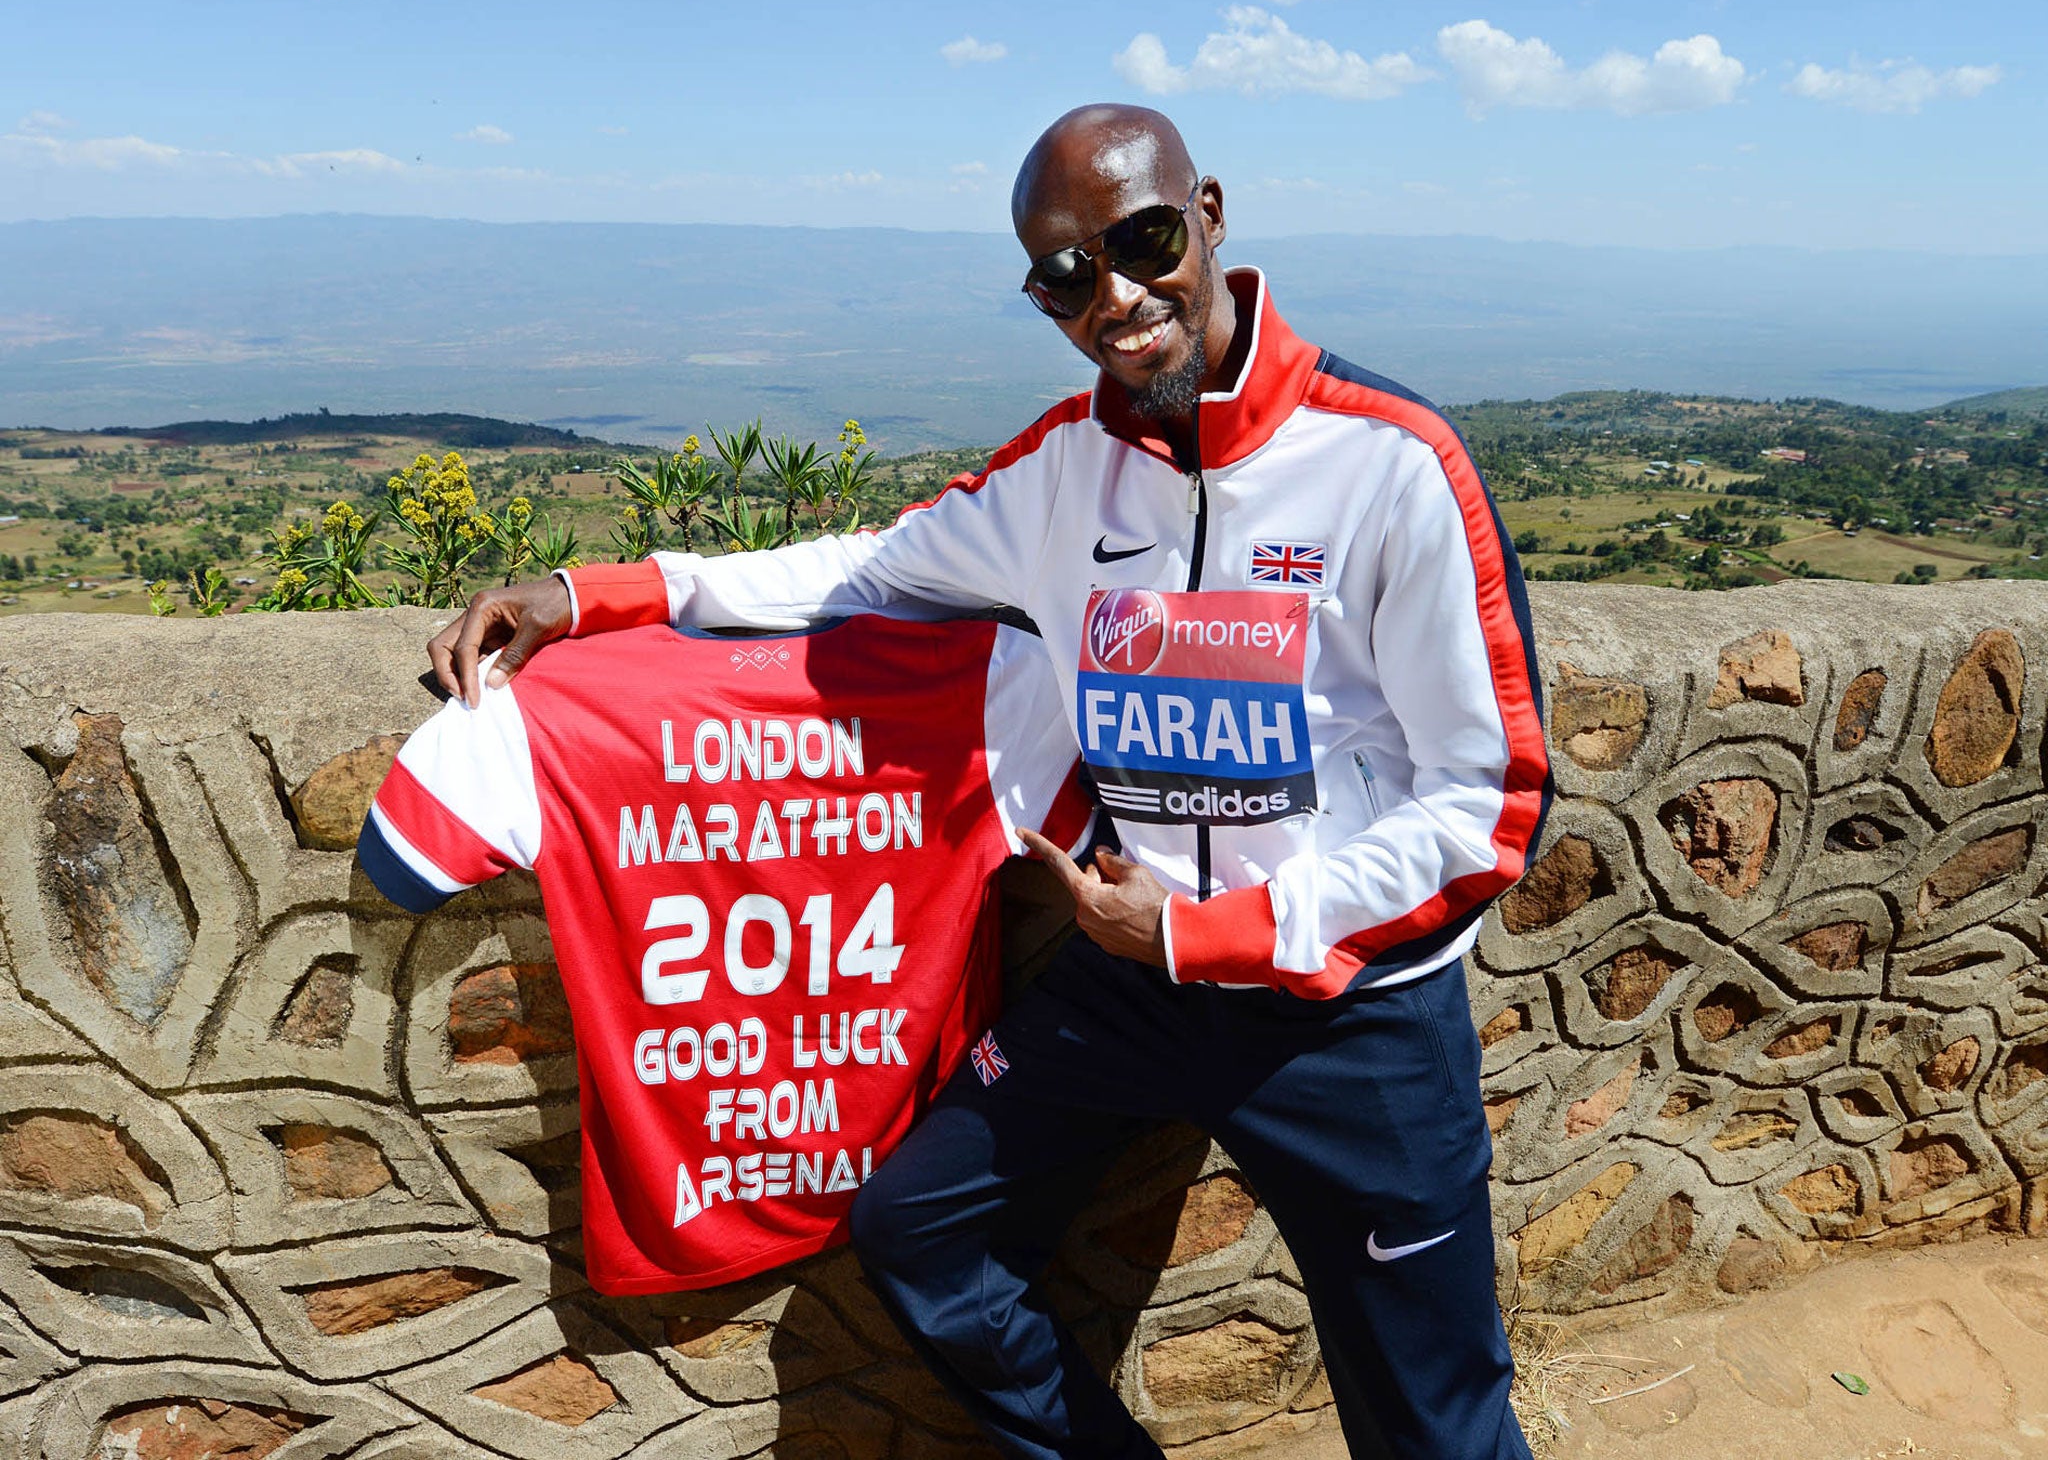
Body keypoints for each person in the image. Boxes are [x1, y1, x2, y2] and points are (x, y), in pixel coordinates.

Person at [430, 104, 1550, 1460]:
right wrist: (598, 594)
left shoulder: (1389, 464)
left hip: (1347, 1017)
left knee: (1432, 1421)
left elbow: (1485, 808)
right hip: (1135, 982)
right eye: (1067, 277)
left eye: (1141, 242)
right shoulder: (1061, 475)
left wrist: (1215, 929)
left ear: (1210, 215)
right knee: (923, 1231)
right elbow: (860, 572)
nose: (1117, 299)